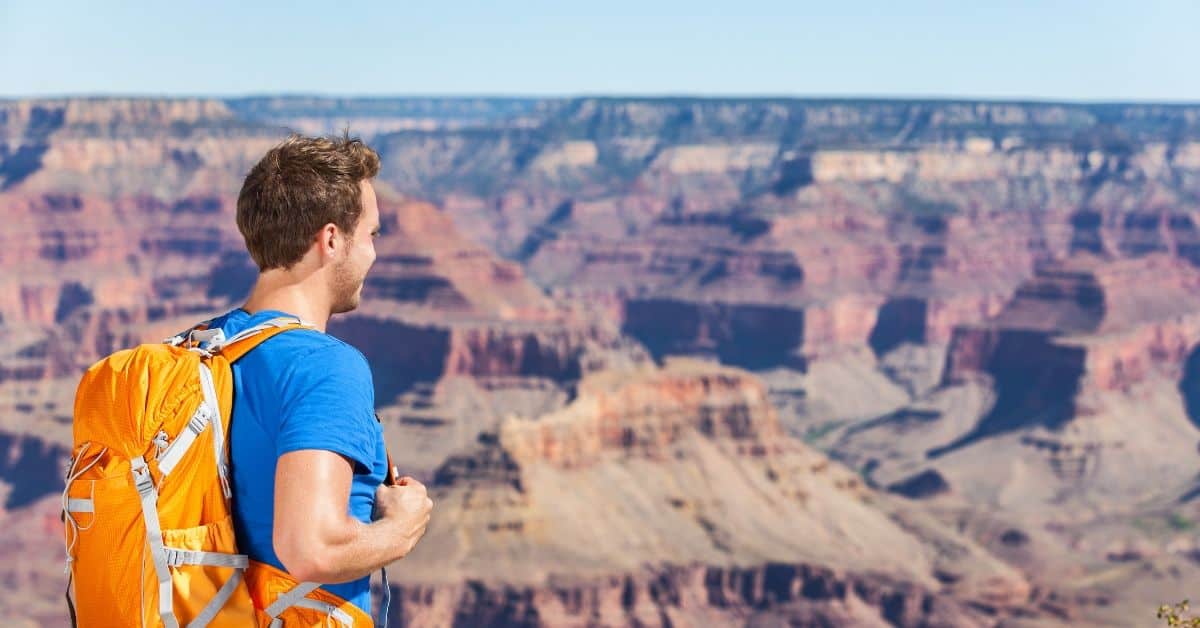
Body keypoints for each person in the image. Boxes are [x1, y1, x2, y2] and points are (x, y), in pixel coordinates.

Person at [205, 134, 432, 616]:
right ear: (331, 240)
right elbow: (312, 549)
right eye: (371, 234)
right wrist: (403, 527)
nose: (373, 252)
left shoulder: (202, 349)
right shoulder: (325, 367)